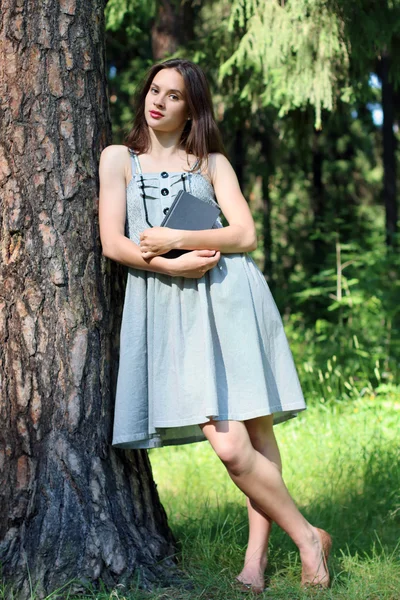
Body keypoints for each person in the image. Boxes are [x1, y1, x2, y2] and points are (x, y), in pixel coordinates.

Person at [98, 58, 331, 594]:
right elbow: (114, 243)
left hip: (228, 296)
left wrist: (175, 240)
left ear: (191, 108)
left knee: (255, 430)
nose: (157, 100)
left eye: (173, 95)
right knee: (228, 445)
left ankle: (254, 563)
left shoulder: (212, 163)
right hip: (169, 306)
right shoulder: (120, 159)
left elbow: (245, 234)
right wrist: (169, 263)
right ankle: (308, 536)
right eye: (154, 89)